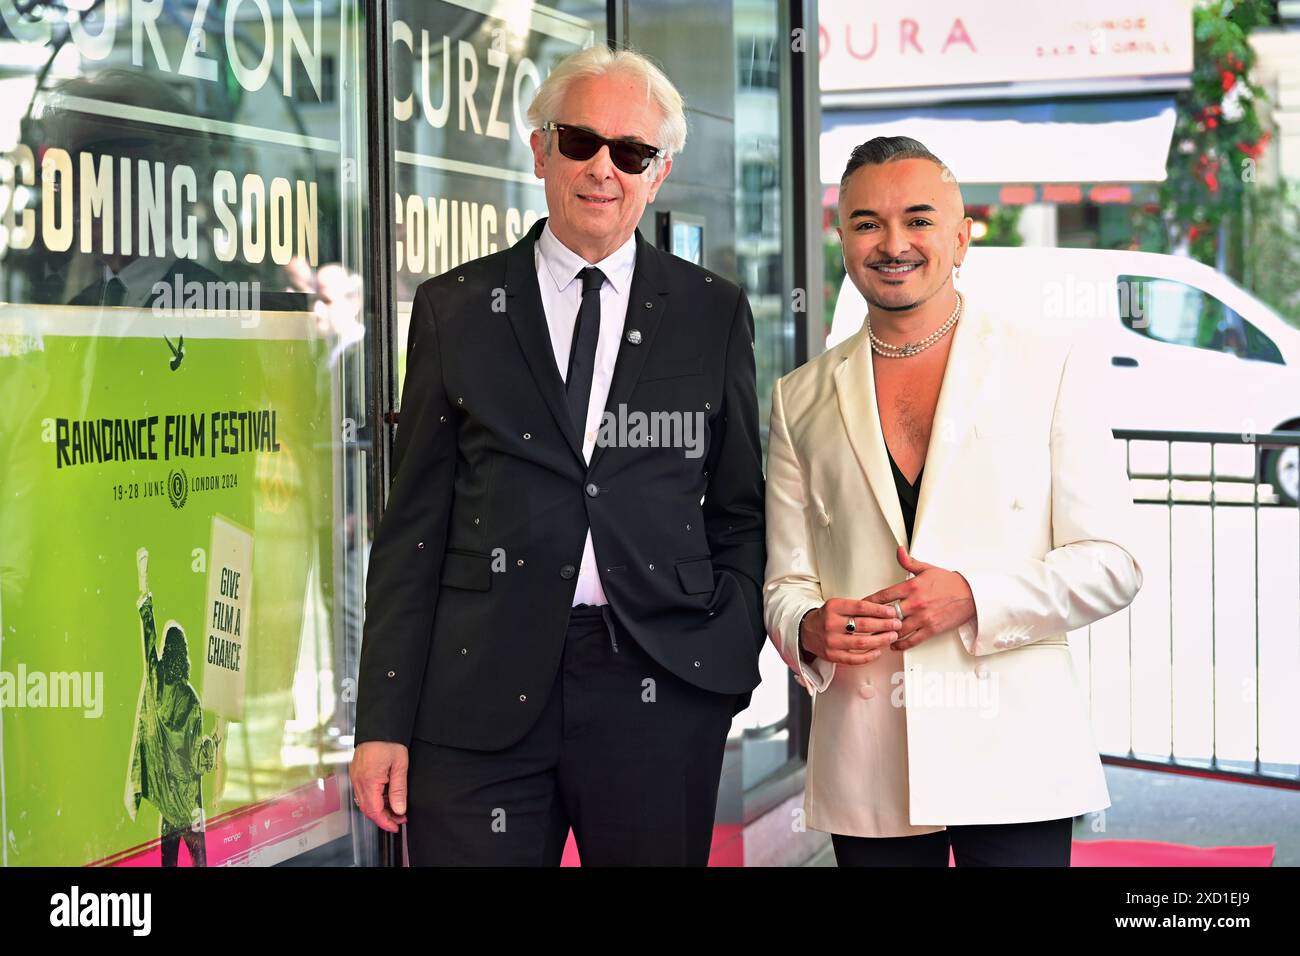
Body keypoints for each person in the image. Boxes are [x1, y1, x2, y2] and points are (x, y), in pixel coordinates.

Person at [350, 46, 766, 866]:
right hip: (475, 698)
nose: (603, 168)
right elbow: (413, 533)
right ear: (541, 149)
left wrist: (723, 652)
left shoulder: (711, 313)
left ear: (659, 173)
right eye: (580, 141)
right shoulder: (455, 309)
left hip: (658, 685)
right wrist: (383, 722)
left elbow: (739, 507)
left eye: (632, 152)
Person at [763, 136, 1144, 866]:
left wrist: (972, 595)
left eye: (919, 219)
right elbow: (784, 581)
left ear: (963, 237)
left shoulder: (1048, 364)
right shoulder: (798, 397)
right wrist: (809, 626)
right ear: (841, 237)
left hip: (1015, 752)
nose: (893, 242)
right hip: (869, 758)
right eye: (867, 222)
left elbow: (1115, 563)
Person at [126, 548, 221, 867]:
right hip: (190, 807)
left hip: (168, 806)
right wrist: (213, 744)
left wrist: (144, 584)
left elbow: (147, 639)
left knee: (166, 865)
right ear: (185, 654)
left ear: (169, 651)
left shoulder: (156, 683)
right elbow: (198, 759)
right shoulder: (192, 699)